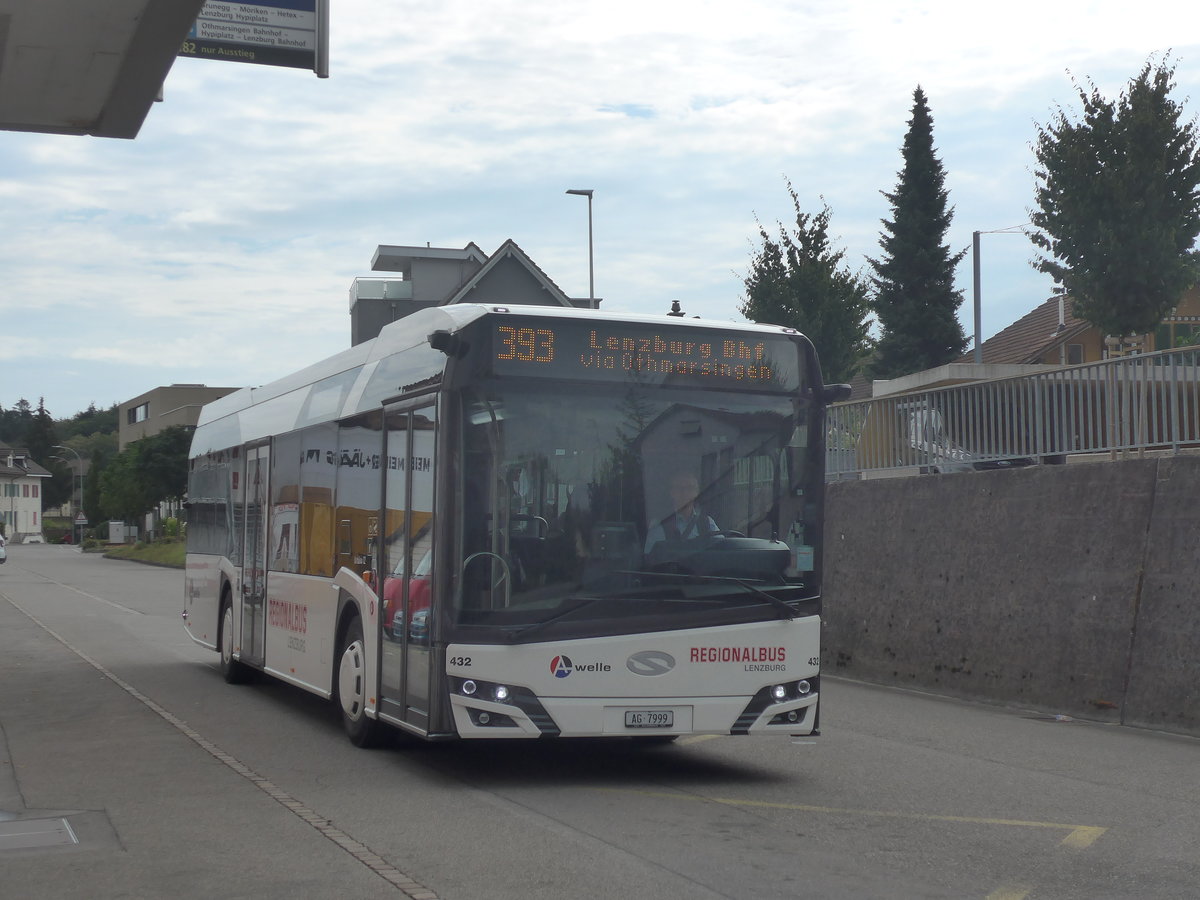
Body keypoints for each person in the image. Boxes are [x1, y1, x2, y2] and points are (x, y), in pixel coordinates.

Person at [644, 473, 720, 552]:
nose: (685, 493)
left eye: (690, 488)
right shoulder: (659, 526)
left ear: (697, 493)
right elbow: (650, 560)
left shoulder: (707, 523)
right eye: (679, 488)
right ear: (672, 493)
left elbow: (722, 549)